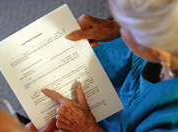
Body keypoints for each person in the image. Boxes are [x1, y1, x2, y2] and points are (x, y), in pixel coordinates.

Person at [24, 0, 178, 131]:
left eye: (124, 26)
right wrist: (114, 29)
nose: (118, 27)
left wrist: (90, 129)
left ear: (157, 49)